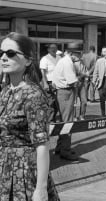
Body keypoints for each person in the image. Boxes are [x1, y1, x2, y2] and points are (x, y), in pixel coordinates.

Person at [0, 32, 60, 200]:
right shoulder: (5, 92)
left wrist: (41, 188)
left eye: (10, 53)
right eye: (1, 53)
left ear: (27, 60)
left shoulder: (33, 94)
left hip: (25, 172)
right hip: (4, 169)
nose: (4, 57)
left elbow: (42, 144)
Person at [52, 43, 80, 161]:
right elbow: (73, 81)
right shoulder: (68, 62)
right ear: (72, 53)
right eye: (78, 53)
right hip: (66, 92)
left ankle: (60, 147)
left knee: (64, 120)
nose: (79, 56)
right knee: (68, 122)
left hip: (62, 91)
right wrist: (81, 78)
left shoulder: (64, 61)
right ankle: (65, 150)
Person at [40, 43, 61, 121]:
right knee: (50, 102)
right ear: (48, 49)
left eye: (55, 48)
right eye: (52, 48)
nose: (54, 49)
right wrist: (45, 83)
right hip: (49, 83)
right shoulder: (45, 59)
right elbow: (43, 72)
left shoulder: (59, 58)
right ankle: (50, 120)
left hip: (59, 83)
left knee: (57, 103)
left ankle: (53, 117)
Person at [93, 47, 106, 117]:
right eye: (103, 52)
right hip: (102, 81)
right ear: (102, 53)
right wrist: (94, 81)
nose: (105, 53)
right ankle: (103, 115)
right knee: (102, 99)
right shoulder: (99, 61)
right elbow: (95, 72)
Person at [73, 49, 88, 121]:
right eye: (76, 54)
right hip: (75, 83)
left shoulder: (83, 63)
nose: (78, 56)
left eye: (79, 54)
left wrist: (86, 81)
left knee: (84, 100)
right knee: (74, 101)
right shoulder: (71, 63)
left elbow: (86, 73)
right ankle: (74, 116)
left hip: (82, 83)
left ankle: (82, 115)